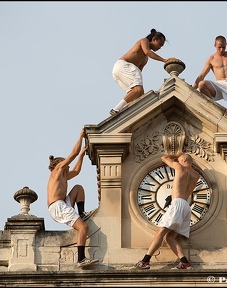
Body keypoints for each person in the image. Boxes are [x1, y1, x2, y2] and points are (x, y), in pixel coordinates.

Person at [135, 153, 200, 270]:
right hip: (186, 207)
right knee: (170, 238)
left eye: (179, 160)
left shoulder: (180, 167)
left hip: (177, 204)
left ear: (184, 160)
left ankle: (145, 261)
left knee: (159, 232)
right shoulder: (196, 175)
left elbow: (164, 158)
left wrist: (176, 155)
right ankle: (184, 262)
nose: (177, 161)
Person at [47, 129, 99, 268]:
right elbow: (73, 153)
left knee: (78, 188)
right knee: (83, 228)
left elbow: (76, 171)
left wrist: (82, 155)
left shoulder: (63, 176)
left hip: (62, 203)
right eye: (66, 164)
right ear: (60, 164)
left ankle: (81, 213)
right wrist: (80, 136)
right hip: (58, 206)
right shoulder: (57, 171)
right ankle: (81, 259)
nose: (68, 166)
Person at [110, 29, 173, 116]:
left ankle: (123, 115)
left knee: (138, 95)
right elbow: (147, 51)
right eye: (159, 44)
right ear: (154, 39)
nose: (160, 48)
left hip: (118, 70)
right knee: (138, 89)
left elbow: (138, 73)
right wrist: (164, 60)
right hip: (124, 65)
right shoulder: (144, 41)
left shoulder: (145, 59)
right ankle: (116, 109)